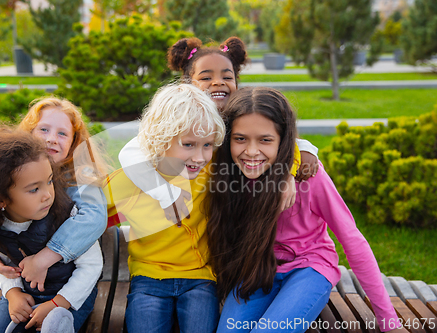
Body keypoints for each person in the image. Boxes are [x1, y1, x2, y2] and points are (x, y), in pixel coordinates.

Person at [207, 87, 407, 333]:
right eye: (240, 139)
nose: (251, 151)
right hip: (257, 269)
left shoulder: (309, 177)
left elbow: (353, 241)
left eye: (265, 140)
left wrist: (390, 321)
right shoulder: (227, 175)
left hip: (309, 268)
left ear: (284, 141)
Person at [118, 36, 318, 226]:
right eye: (206, 77)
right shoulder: (179, 122)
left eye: (227, 76)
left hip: (231, 214)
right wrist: (164, 193)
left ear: (236, 83)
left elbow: (280, 139)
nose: (218, 82)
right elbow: (130, 153)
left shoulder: (240, 118)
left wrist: (297, 161)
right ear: (187, 84)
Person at [0, 126, 102, 332]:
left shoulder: (66, 215)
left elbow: (92, 266)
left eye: (50, 182)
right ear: (0, 199)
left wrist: (58, 302)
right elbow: (6, 267)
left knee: (56, 325)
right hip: (23, 295)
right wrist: (13, 293)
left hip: (71, 295)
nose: (48, 195)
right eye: (34, 189)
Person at [103, 83, 225, 332]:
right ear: (161, 139)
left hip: (199, 278)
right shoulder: (131, 179)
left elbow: (266, 144)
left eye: (207, 145)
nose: (200, 157)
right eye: (188, 144)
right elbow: (87, 213)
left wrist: (305, 152)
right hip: (149, 278)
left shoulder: (209, 173)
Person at [0, 97, 108, 294]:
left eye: (62, 133)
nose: (52, 138)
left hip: (70, 280)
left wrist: (44, 258)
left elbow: (94, 217)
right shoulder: (14, 173)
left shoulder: (80, 175)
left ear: (74, 143)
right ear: (29, 133)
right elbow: (5, 217)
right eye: (44, 129)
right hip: (23, 282)